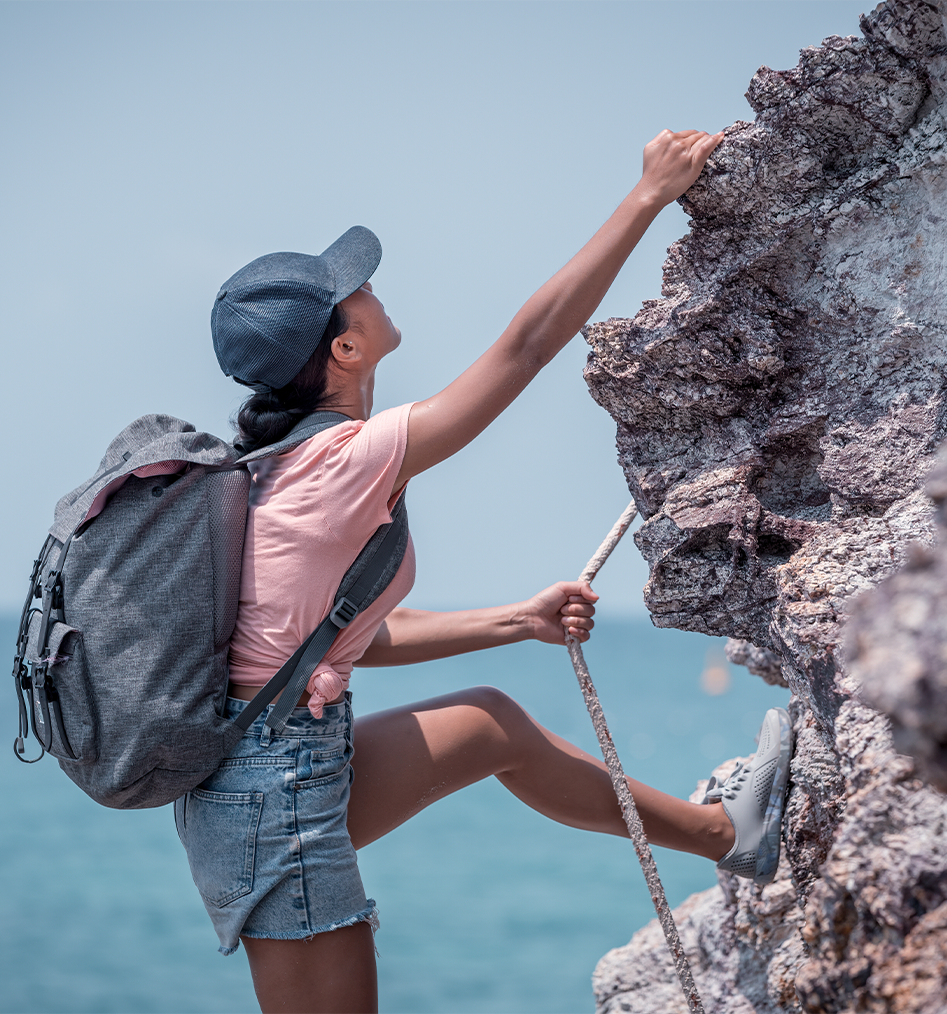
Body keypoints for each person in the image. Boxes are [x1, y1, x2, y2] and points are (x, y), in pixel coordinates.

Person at [175, 129, 793, 1014]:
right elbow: (527, 347)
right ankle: (726, 835)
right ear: (343, 352)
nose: (372, 289)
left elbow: (328, 643)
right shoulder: (346, 459)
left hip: (271, 768)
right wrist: (645, 198)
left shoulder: (272, 469)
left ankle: (724, 834)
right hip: (271, 788)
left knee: (488, 723)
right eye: (357, 294)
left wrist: (516, 621)